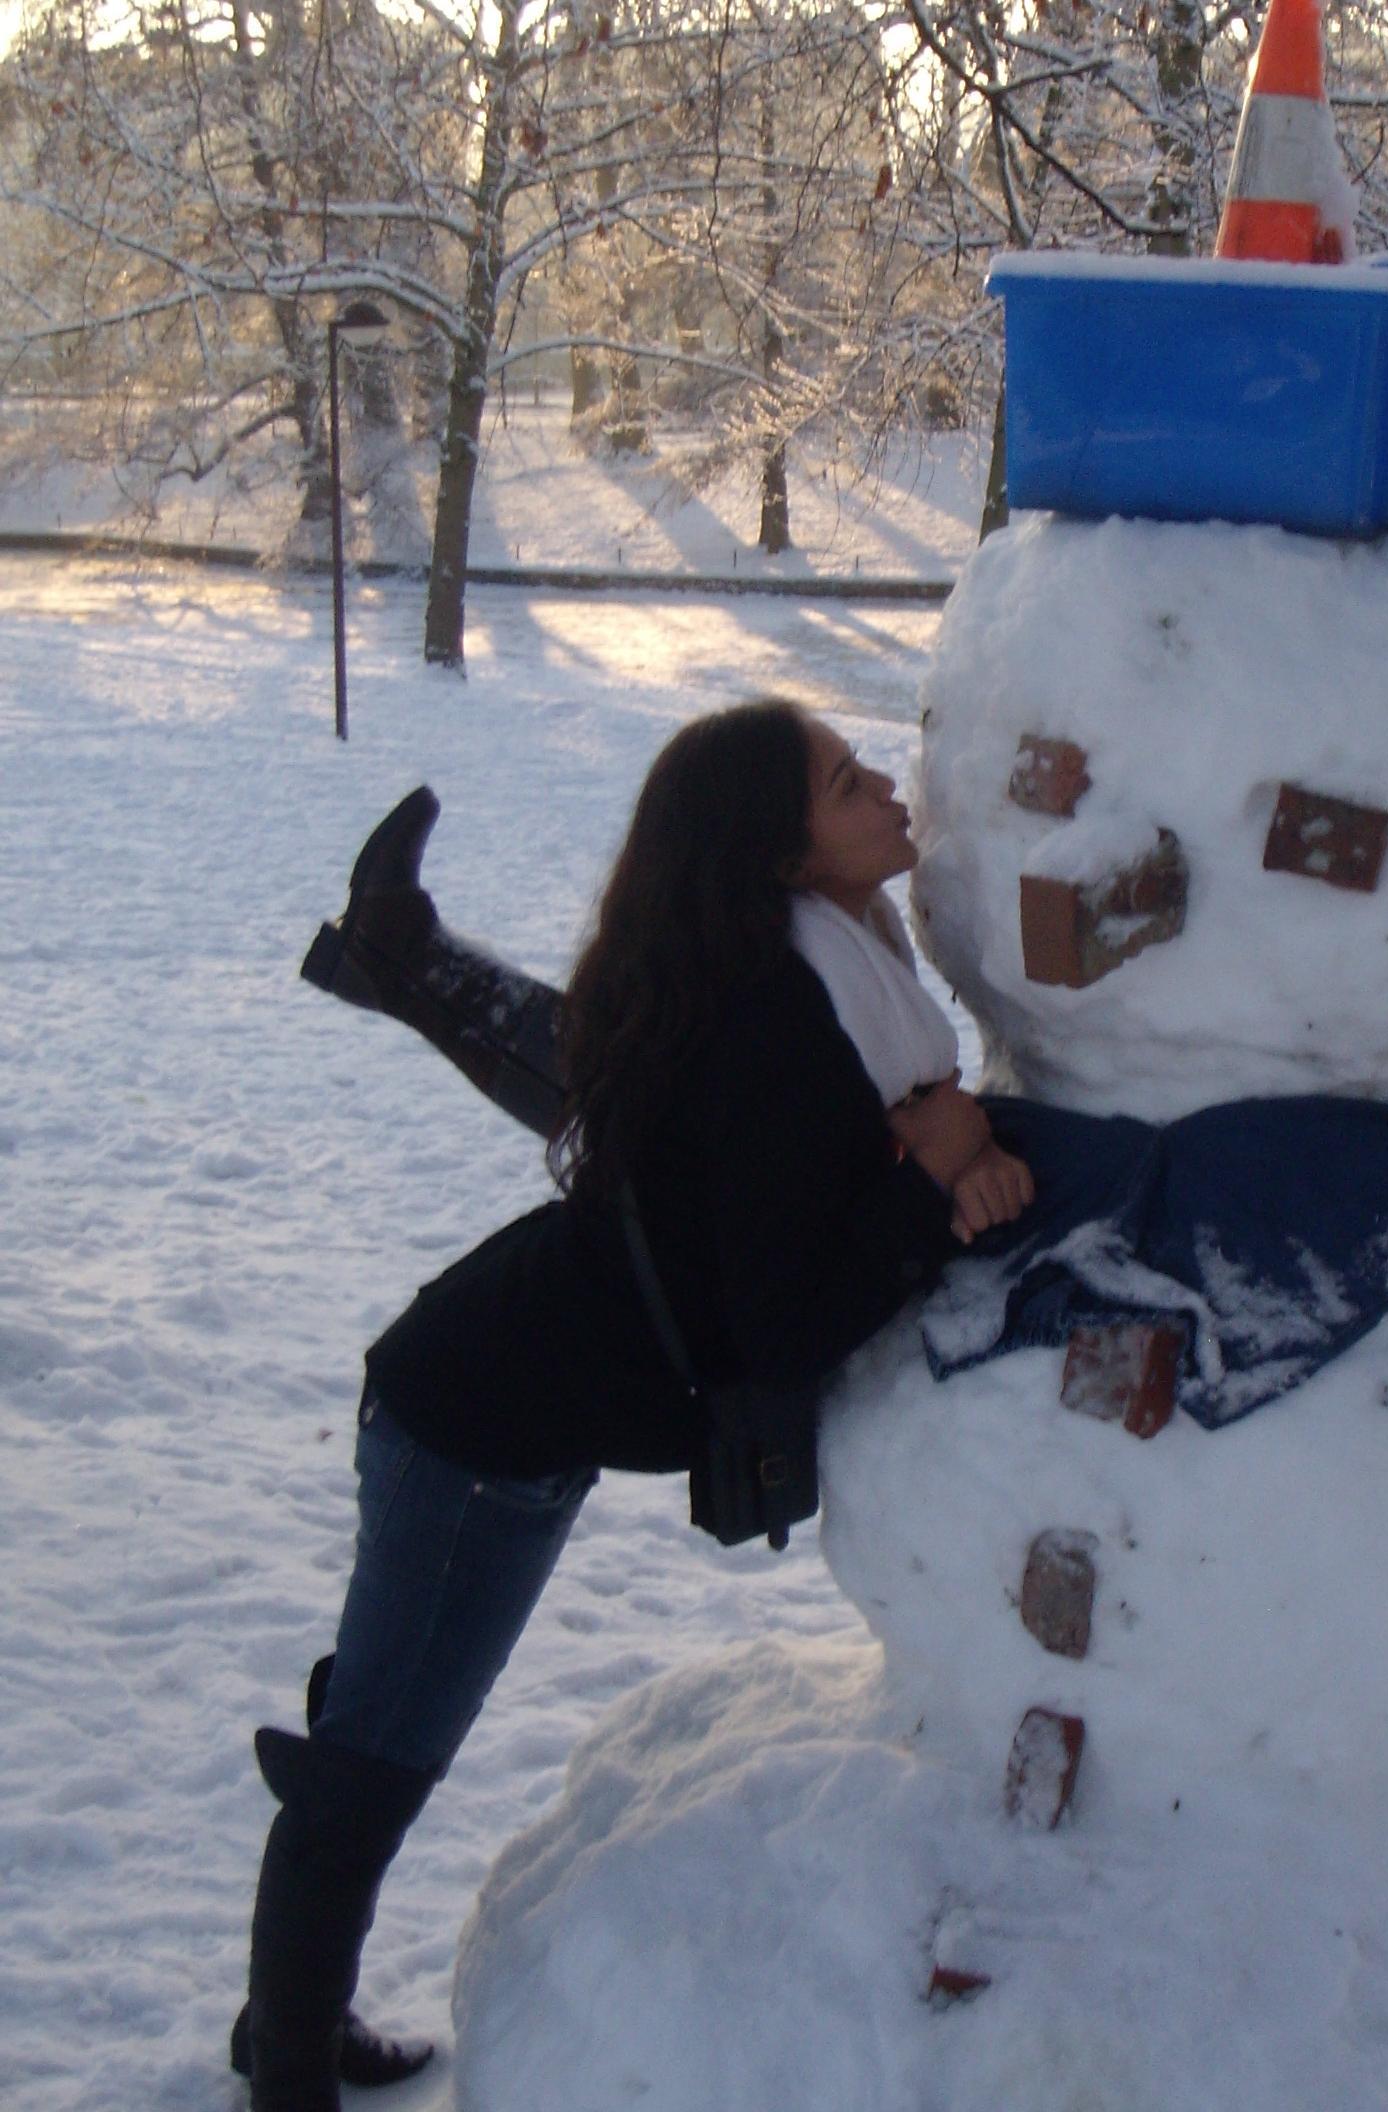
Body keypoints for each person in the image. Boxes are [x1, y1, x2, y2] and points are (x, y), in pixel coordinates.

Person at [236, 700, 1032, 2112]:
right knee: (387, 1743)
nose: (889, 795)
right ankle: (287, 2056)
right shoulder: (781, 1009)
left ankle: (397, 953)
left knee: (386, 1721)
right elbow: (783, 1320)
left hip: (523, 1395)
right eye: (850, 786)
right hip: (473, 1423)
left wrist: (945, 1158)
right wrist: (933, 1174)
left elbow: (767, 1190)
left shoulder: (815, 969)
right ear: (781, 855)